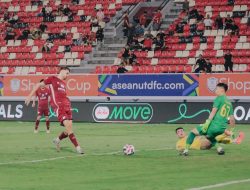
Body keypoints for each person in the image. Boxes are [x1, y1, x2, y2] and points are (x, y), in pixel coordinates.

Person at [25, 67, 84, 154]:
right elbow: (38, 85)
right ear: (62, 71)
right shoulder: (52, 79)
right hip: (59, 107)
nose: (68, 75)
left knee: (68, 130)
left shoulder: (63, 84)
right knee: (68, 127)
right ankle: (78, 147)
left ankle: (57, 140)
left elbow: (63, 95)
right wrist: (29, 96)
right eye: (67, 73)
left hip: (67, 106)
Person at [181, 83, 235, 156]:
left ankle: (185, 151)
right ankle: (219, 149)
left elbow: (213, 111)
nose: (215, 90)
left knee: (192, 132)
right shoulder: (229, 103)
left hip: (214, 126)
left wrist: (207, 123)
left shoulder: (218, 98)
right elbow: (232, 119)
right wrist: (232, 130)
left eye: (217, 89)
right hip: (222, 129)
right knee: (209, 136)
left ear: (222, 90)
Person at [176, 127, 244, 152]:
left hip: (202, 142)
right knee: (213, 138)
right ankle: (227, 133)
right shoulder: (178, 143)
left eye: (182, 131)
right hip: (200, 145)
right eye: (179, 132)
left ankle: (235, 141)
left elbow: (198, 137)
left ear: (184, 132)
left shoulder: (190, 136)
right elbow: (179, 149)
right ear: (177, 135)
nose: (181, 132)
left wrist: (201, 137)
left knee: (217, 139)